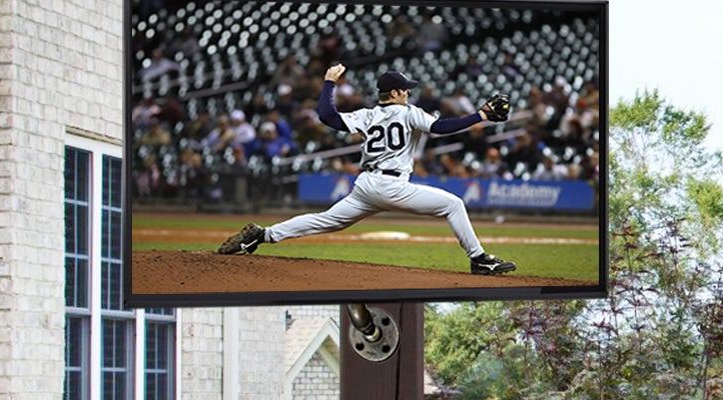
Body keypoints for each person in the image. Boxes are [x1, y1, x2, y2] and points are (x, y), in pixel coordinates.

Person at [217, 65, 518, 275]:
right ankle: (479, 258)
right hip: (392, 186)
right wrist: (480, 115)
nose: (409, 94)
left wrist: (329, 83)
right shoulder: (408, 112)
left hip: (366, 185)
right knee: (453, 204)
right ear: (397, 92)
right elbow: (440, 127)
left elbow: (327, 116)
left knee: (326, 221)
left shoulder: (367, 114)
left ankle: (263, 234)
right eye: (406, 90)